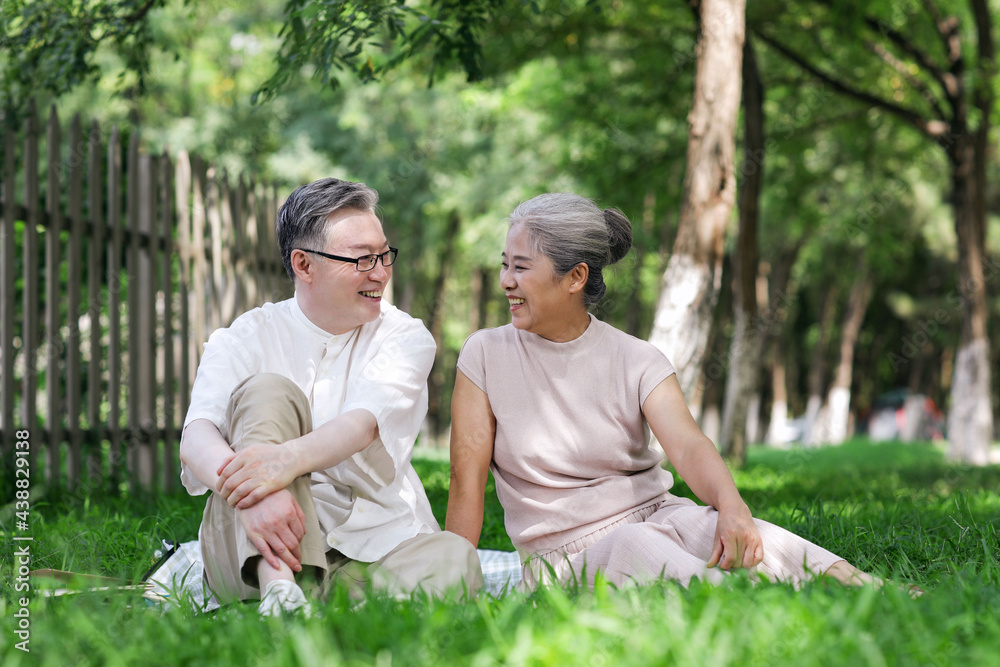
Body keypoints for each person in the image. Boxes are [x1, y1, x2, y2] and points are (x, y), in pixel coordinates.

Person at [445, 192, 883, 591]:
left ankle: (874, 591)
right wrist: (454, 586)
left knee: (717, 527)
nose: (506, 280)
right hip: (567, 562)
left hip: (658, 515)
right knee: (635, 544)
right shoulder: (484, 355)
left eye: (520, 267)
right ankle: (743, 605)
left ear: (576, 276)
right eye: (506, 264)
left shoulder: (636, 358)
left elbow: (689, 445)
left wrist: (732, 508)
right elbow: (466, 478)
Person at [180, 177, 482, 615]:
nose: (380, 272)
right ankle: (280, 589)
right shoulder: (245, 336)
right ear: (303, 264)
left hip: (374, 545)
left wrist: (282, 463)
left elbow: (359, 426)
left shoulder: (404, 337)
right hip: (253, 538)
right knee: (269, 391)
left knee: (456, 560)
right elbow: (196, 438)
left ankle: (319, 609)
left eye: (383, 255)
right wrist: (260, 495)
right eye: (362, 259)